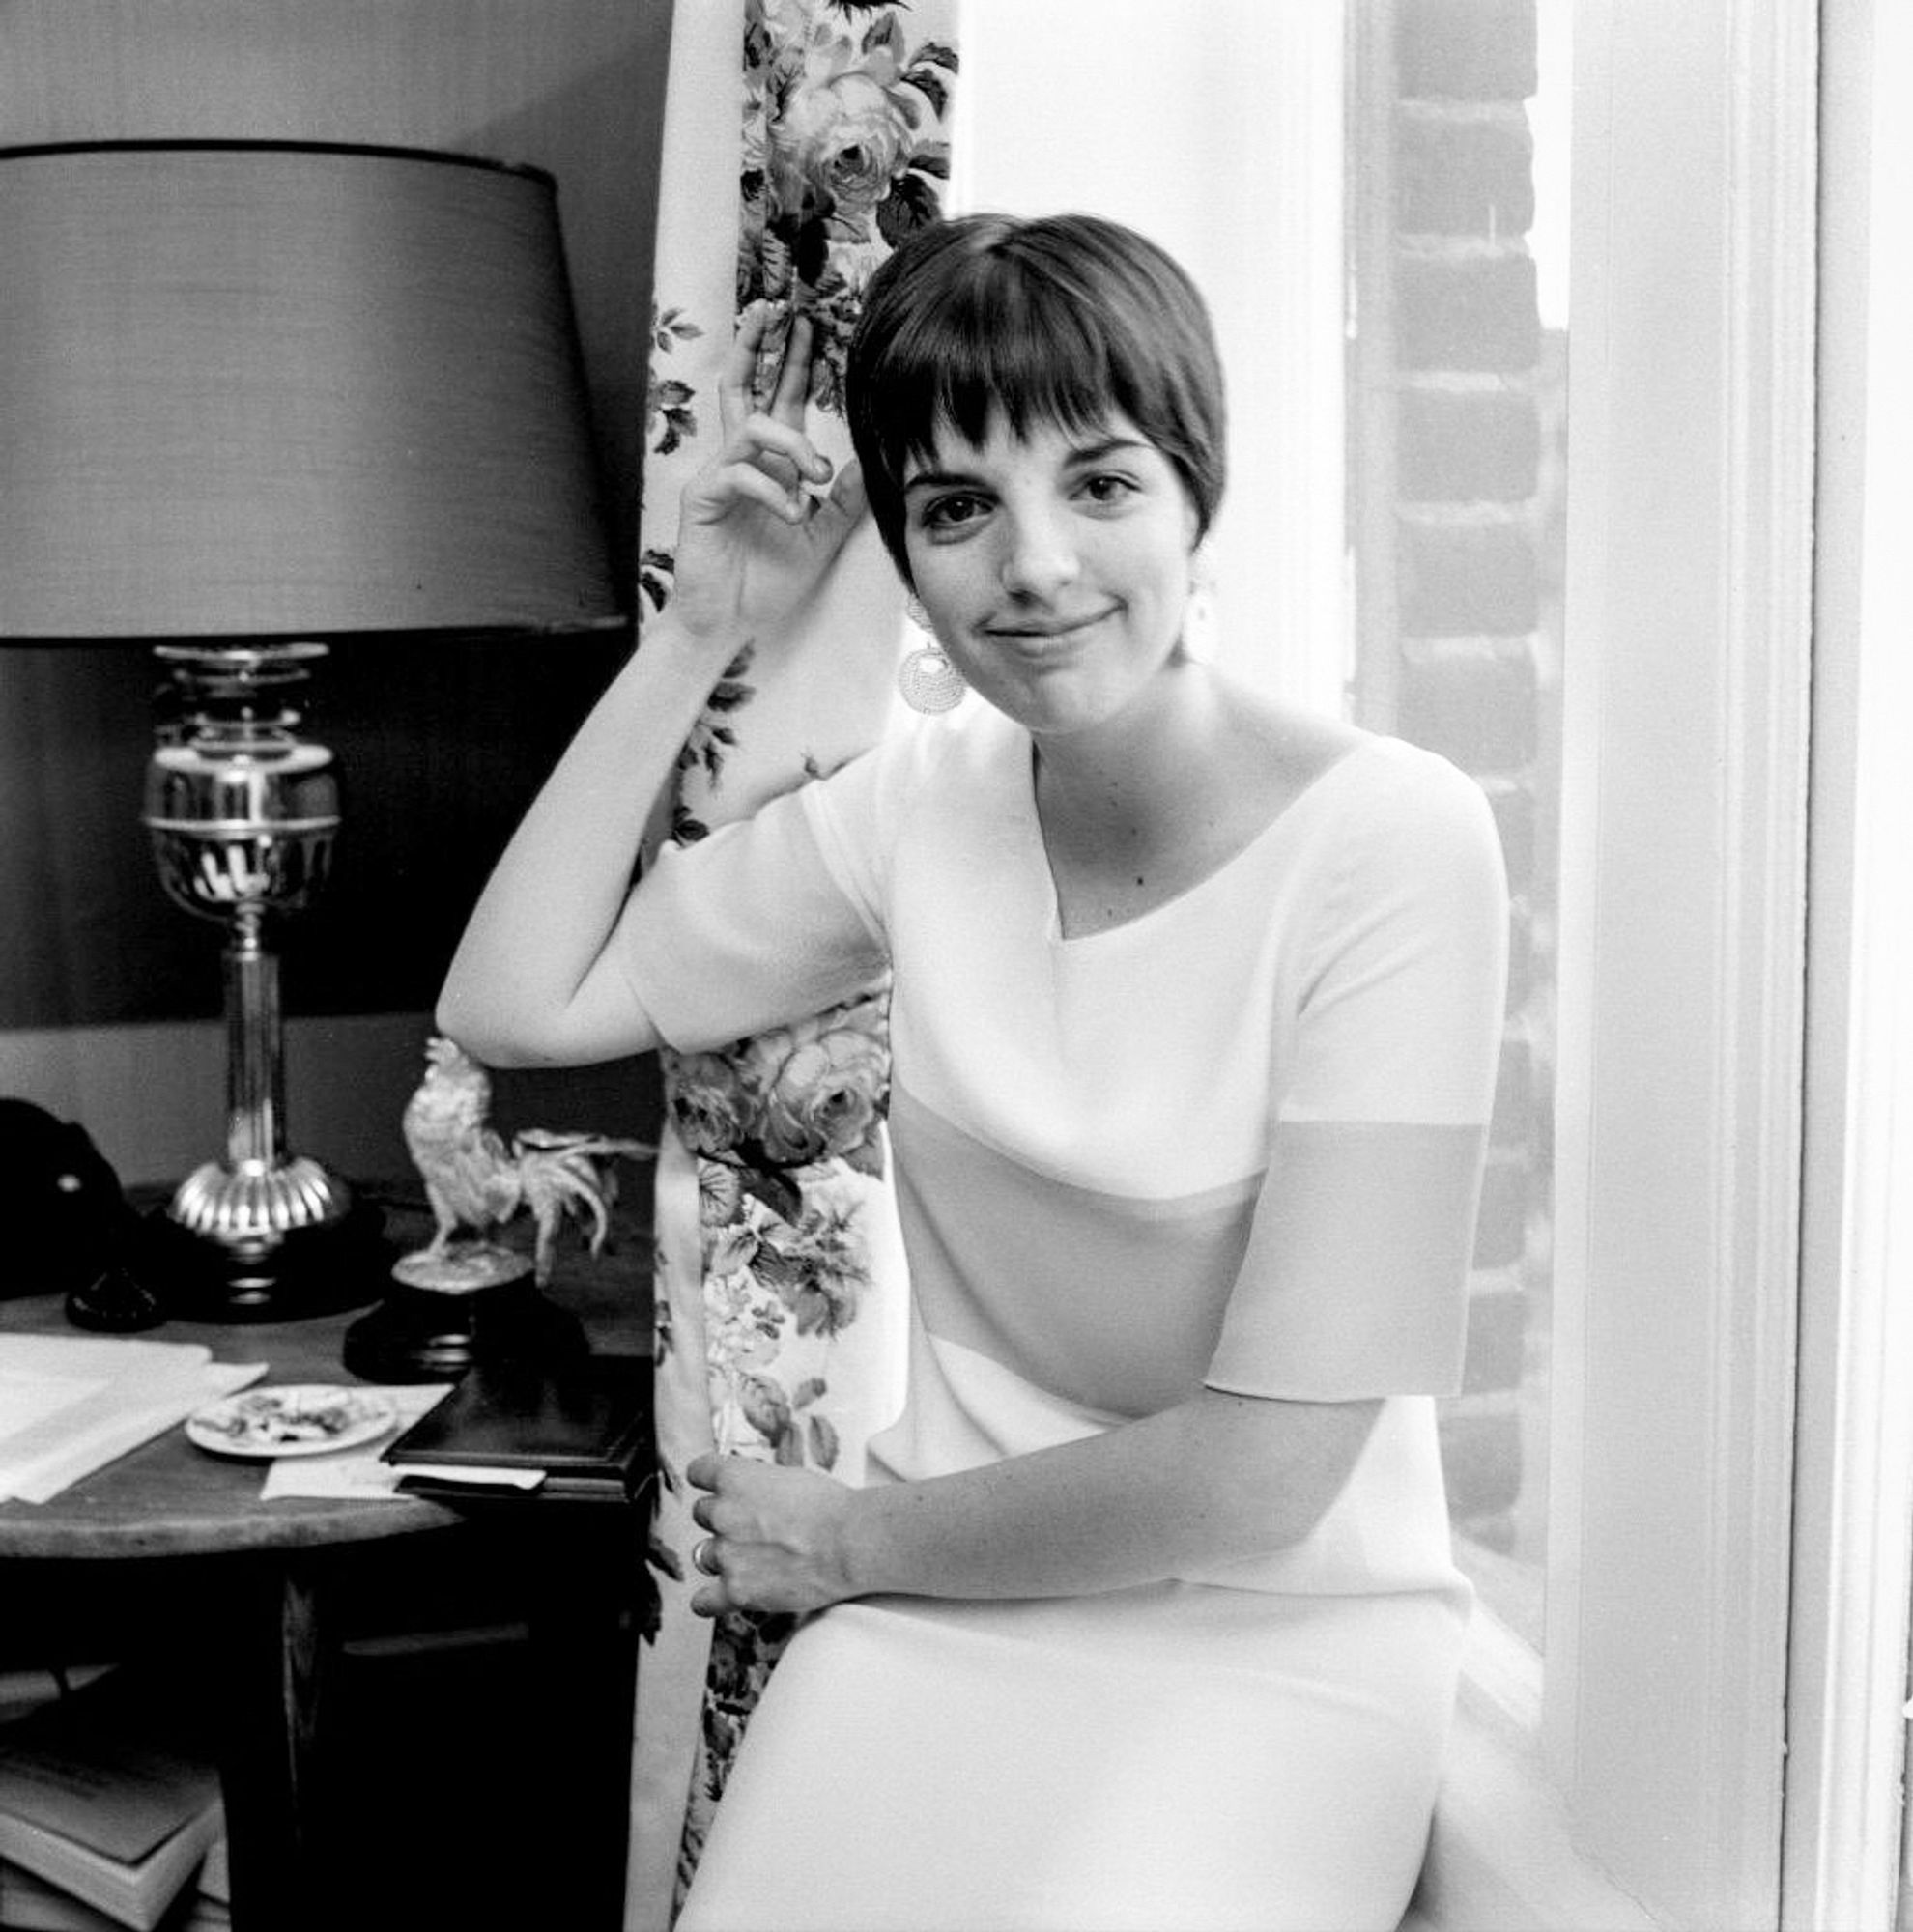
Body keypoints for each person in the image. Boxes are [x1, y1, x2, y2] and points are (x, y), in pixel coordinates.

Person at [438, 212, 1509, 1932]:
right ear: (914, 561)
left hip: (1276, 1649)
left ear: (1194, 495)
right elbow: (513, 1005)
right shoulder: (917, 810)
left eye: (1100, 483)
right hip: (954, 1619)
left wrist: (843, 1547)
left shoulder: (1395, 845)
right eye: (956, 508)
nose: (1032, 566)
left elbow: (1262, 1483)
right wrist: (694, 636)